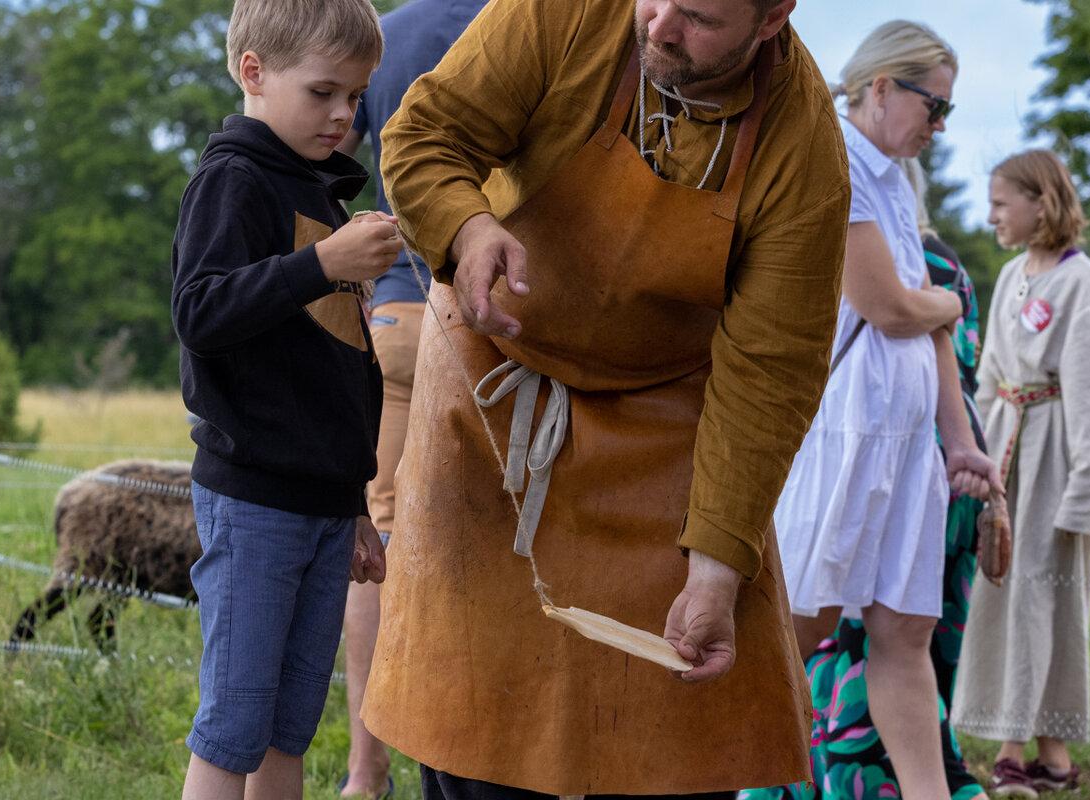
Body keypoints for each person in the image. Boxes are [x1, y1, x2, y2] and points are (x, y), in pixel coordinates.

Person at [364, 0, 854, 795]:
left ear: (772, 21)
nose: (660, 27)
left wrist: (719, 568)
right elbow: (425, 135)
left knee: (680, 746)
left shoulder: (804, 144)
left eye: (697, 18)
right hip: (494, 400)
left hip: (669, 438)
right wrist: (465, 227)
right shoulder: (560, 12)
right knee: (474, 722)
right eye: (654, 0)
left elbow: (771, 368)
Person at [168, 0, 393, 795]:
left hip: (323, 508)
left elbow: (339, 375)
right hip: (255, 500)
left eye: (357, 97)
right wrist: (323, 263)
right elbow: (200, 313)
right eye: (324, 92)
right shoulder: (234, 181)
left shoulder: (319, 193)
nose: (343, 115)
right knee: (234, 726)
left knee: (289, 729)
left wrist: (355, 503)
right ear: (253, 72)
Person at [771, 21, 1000, 800]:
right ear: (879, 88)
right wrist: (942, 301)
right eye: (932, 108)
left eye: (947, 113)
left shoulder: (892, 176)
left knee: (905, 632)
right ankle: (710, 782)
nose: (938, 128)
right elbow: (891, 306)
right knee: (795, 632)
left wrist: (959, 441)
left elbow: (924, 327)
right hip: (845, 433)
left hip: (904, 440)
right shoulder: (833, 156)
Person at [333, 1, 487, 796]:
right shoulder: (524, 27)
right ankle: (473, 754)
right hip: (488, 316)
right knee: (483, 544)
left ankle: (367, 772)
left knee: (379, 553)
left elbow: (333, 149)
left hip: (392, 310)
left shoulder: (387, 33)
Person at [951, 149, 1090, 799]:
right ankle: (1052, 754)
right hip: (1009, 454)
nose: (992, 215)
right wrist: (982, 461)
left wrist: (1087, 487)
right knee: (1003, 593)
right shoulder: (1014, 277)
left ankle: (1012, 748)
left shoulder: (1083, 284)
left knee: (1042, 599)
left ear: (1041, 204)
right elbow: (992, 377)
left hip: (1056, 456)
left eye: (1001, 203)